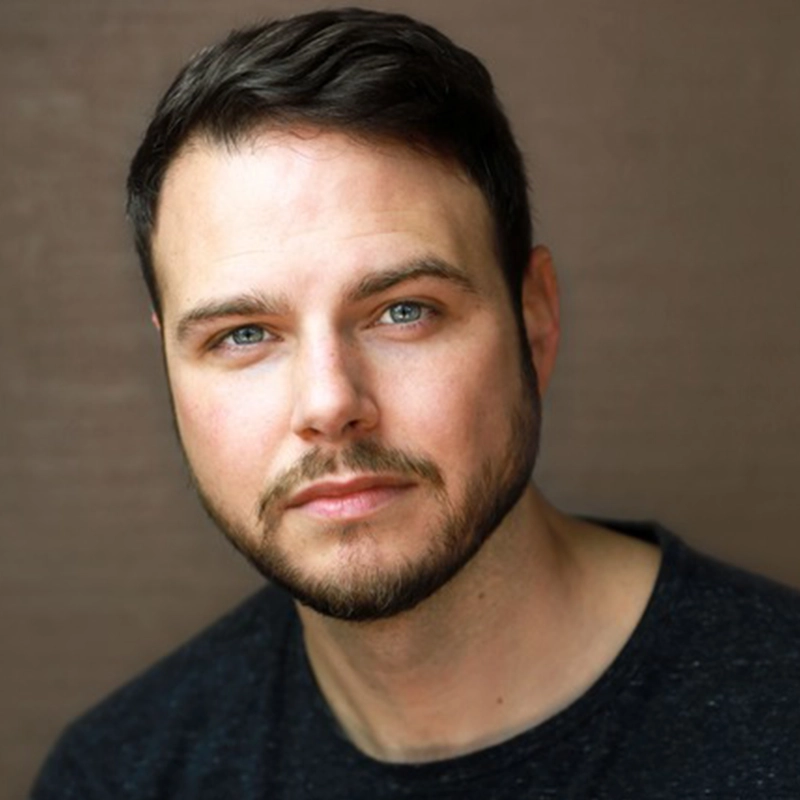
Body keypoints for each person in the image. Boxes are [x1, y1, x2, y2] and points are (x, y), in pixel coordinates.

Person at [31, 8, 800, 798]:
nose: (330, 404)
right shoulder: (119, 776)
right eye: (244, 334)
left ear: (535, 320)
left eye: (404, 311)